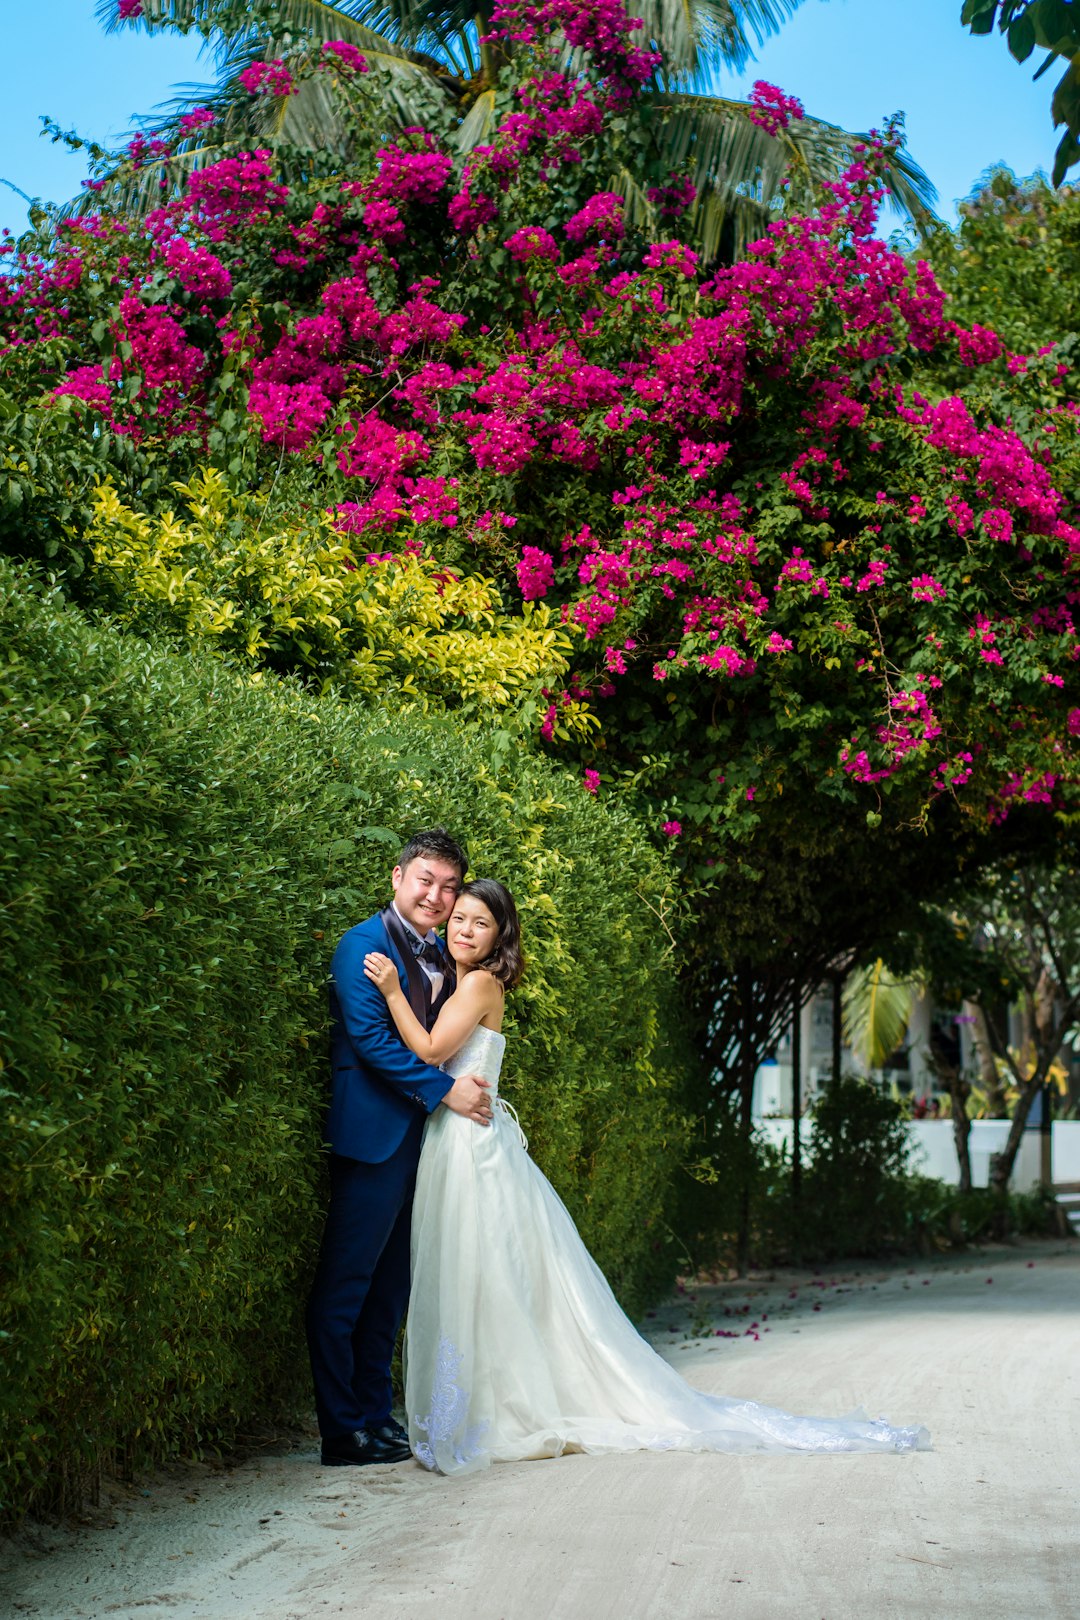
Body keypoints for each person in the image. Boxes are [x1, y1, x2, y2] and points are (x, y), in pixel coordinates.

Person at [363, 878, 931, 1476]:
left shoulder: (478, 982)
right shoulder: (461, 980)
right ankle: (481, 1401)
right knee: (474, 1272)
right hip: (461, 1139)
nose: (464, 930)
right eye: (460, 919)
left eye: (481, 922)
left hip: (470, 1148)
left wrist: (393, 990)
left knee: (480, 1273)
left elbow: (428, 1051)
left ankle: (497, 1408)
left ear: (501, 935)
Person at [305, 829, 493, 1468]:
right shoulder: (363, 945)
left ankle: (375, 1416)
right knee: (346, 1285)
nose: (437, 896)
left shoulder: (447, 953)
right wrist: (447, 1092)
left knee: (392, 1287)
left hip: (425, 1144)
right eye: (425, 881)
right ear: (397, 877)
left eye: (448, 886)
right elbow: (372, 1043)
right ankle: (341, 1430)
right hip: (374, 1137)